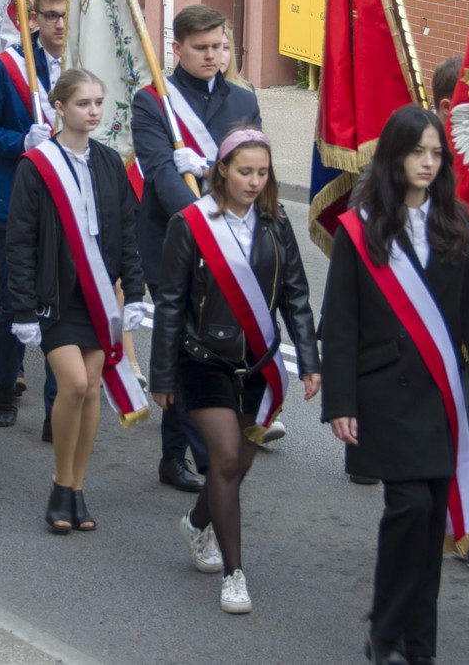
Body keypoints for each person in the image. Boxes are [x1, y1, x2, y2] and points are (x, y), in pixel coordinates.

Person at [322, 104, 469, 662]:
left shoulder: (458, 222)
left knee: (431, 523)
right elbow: (342, 322)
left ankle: (418, 643)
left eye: (436, 154)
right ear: (394, 157)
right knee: (409, 509)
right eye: (416, 152)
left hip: (441, 397)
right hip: (384, 397)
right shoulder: (360, 230)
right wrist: (341, 402)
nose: (427, 163)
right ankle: (385, 626)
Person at [148, 126, 318, 612]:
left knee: (239, 464)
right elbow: (169, 304)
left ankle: (197, 522)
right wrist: (162, 377)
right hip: (202, 359)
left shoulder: (277, 222)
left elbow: (297, 296)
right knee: (225, 459)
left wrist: (309, 360)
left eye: (263, 173)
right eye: (245, 171)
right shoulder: (190, 223)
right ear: (221, 169)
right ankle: (234, 573)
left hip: (257, 363)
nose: (254, 181)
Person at [7, 68, 151, 533]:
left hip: (98, 296)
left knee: (92, 387)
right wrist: (24, 307)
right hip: (55, 296)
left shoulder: (109, 162)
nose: (92, 111)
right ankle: (59, 481)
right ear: (60, 108)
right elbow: (20, 240)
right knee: (72, 384)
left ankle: (76, 487)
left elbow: (128, 230)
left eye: (97, 102)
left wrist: (135, 291)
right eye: (83, 103)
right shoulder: (37, 165)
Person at [134, 4, 262, 493]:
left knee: (212, 348)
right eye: (203, 48)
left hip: (233, 242)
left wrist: (210, 167)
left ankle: (178, 454)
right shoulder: (153, 100)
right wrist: (205, 226)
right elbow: (163, 176)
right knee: (186, 345)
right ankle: (199, 458)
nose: (214, 56)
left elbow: (253, 168)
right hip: (174, 243)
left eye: (221, 47)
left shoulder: (241, 100)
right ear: (178, 49)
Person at [0, 0, 68, 428]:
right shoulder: (8, 67)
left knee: (59, 309)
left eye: (68, 15)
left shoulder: (81, 65)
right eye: (52, 15)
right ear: (35, 18)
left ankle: (57, 410)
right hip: (15, 202)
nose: (61, 24)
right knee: (15, 304)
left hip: (65, 207)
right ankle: (5, 389)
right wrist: (21, 141)